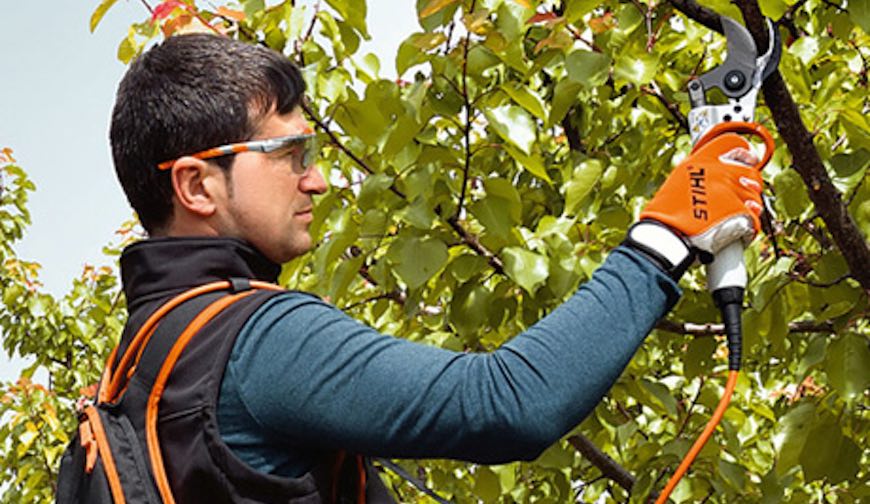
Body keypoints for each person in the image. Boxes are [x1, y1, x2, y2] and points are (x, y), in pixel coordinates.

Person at [106, 33, 766, 502]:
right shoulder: (253, 342)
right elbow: (508, 402)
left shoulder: (145, 358)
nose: (319, 180)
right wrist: (668, 234)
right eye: (292, 153)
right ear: (196, 186)